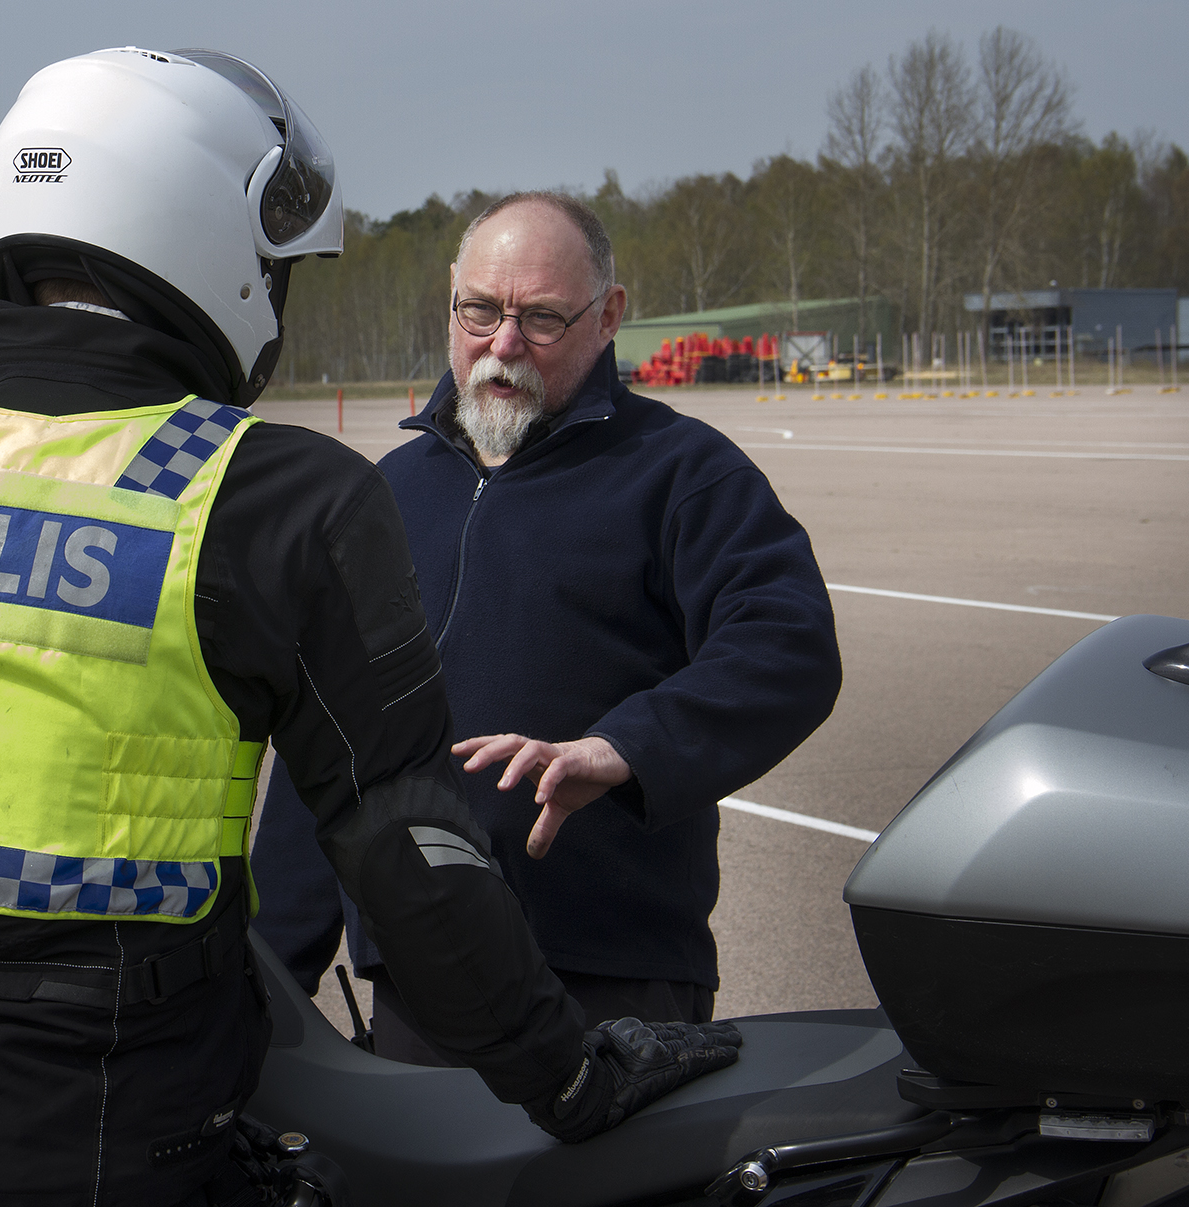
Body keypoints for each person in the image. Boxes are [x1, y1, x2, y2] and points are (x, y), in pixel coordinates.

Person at [0, 55, 741, 1207]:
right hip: (113, 1154)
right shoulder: (269, 493)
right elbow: (409, 853)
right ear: (203, 240)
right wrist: (570, 1076)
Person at [252, 191, 841, 1065]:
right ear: (452, 298)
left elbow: (787, 645)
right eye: (481, 310)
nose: (502, 344)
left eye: (542, 319)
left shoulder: (682, 476)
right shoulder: (387, 495)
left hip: (611, 988)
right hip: (420, 993)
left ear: (608, 318)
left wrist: (625, 748)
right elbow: (325, 750)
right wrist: (260, 982)